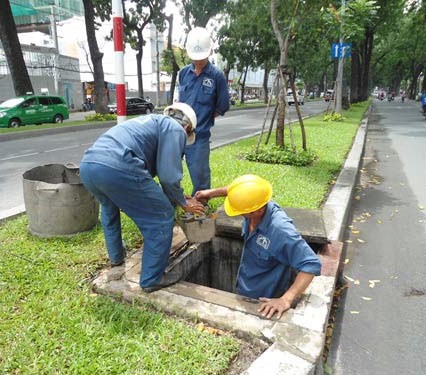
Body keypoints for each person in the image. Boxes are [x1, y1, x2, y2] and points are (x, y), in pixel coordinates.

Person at [79, 103, 205, 293]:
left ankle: (117, 258)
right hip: (118, 166)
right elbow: (168, 176)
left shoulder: (151, 122)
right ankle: (151, 279)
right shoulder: (175, 129)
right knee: (161, 216)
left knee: (109, 210)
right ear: (187, 127)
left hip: (89, 166)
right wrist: (183, 202)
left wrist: (177, 194)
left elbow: (159, 177)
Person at [195, 175, 322, 319]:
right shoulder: (256, 199)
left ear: (257, 211)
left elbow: (311, 264)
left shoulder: (280, 231)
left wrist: (286, 299)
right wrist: (210, 193)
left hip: (262, 301)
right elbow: (234, 189)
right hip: (244, 283)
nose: (239, 214)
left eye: (241, 211)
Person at [178, 27, 230, 195]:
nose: (198, 61)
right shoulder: (183, 73)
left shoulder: (217, 76)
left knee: (199, 174)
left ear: (209, 52)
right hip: (178, 132)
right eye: (195, 58)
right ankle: (175, 201)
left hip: (199, 136)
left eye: (201, 58)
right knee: (170, 170)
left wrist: (201, 119)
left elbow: (221, 106)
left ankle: (201, 204)